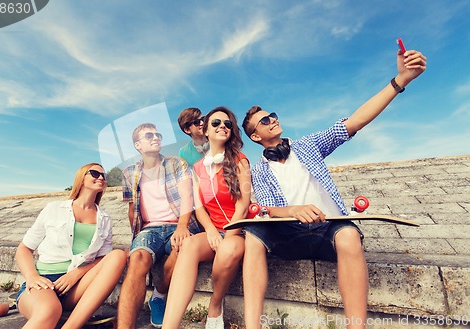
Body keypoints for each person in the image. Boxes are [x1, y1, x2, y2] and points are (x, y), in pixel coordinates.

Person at [241, 49, 427, 329]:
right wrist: (293, 210)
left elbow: (355, 122)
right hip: (288, 233)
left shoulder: (308, 145)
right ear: (256, 135)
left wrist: (400, 81)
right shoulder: (260, 169)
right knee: (253, 236)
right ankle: (252, 325)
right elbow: (267, 208)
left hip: (329, 226)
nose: (273, 120)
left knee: (350, 235)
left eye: (273, 115)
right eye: (265, 121)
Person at [162, 106, 251, 329]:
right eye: (216, 123)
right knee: (189, 244)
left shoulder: (240, 160)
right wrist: (211, 231)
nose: (223, 126)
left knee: (229, 248)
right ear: (207, 130)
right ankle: (169, 325)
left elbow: (243, 205)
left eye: (228, 124)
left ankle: (215, 305)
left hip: (240, 230)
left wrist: (228, 236)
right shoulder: (198, 168)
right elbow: (198, 207)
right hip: (215, 230)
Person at [15, 163, 127, 329]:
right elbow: (24, 249)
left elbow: (103, 259)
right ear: (81, 178)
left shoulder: (105, 218)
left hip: (77, 286)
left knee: (118, 255)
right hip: (45, 282)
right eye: (95, 173)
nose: (101, 178)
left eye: (104, 176)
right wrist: (32, 277)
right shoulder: (53, 209)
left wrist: (76, 274)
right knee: (48, 311)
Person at [118, 123, 197, 328]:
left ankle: (159, 296)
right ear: (138, 145)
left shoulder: (176, 163)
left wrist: (182, 226)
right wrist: (136, 238)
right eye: (149, 135)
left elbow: (187, 196)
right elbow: (132, 208)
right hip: (150, 229)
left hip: (177, 223)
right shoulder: (129, 173)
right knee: (137, 258)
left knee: (183, 246)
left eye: (158, 134)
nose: (156, 138)